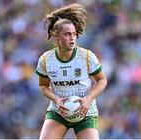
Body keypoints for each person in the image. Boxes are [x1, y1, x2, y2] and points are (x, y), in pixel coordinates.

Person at [36, 3, 107, 139]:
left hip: (85, 112)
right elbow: (43, 86)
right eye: (67, 34)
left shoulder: (86, 56)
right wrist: (56, 99)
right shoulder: (45, 60)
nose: (72, 38)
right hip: (59, 112)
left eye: (74, 34)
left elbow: (102, 80)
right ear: (56, 36)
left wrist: (88, 98)